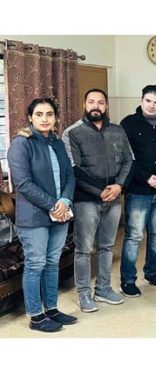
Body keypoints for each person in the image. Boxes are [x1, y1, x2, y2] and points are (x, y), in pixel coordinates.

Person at [8, 98, 77, 332]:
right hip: (35, 216)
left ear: (56, 117)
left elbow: (70, 175)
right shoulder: (21, 144)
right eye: (39, 114)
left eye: (49, 114)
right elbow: (23, 183)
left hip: (60, 213)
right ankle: (36, 316)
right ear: (30, 117)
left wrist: (65, 201)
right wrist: (53, 205)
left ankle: (52, 309)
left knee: (51, 263)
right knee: (35, 264)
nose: (45, 119)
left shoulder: (57, 142)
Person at [62, 88, 133, 312]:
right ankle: (84, 294)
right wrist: (99, 191)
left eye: (100, 102)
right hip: (86, 200)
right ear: (85, 105)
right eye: (91, 101)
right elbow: (73, 168)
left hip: (113, 197)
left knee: (107, 246)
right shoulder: (72, 132)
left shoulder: (118, 130)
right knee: (83, 249)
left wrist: (119, 186)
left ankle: (103, 288)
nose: (96, 106)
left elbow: (129, 161)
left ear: (106, 106)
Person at [119, 85, 156, 297]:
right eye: (148, 101)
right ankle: (128, 280)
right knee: (134, 236)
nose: (152, 106)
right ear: (142, 100)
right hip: (138, 190)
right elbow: (127, 157)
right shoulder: (128, 124)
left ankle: (151, 272)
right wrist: (147, 177)